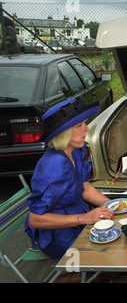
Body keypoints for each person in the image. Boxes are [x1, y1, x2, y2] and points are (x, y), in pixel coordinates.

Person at [25, 97, 115, 260]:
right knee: (110, 259)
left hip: (78, 217)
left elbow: (86, 189)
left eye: (85, 123)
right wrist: (85, 218)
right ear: (63, 132)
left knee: (119, 247)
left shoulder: (74, 151)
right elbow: (35, 219)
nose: (86, 129)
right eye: (79, 125)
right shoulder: (54, 166)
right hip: (56, 234)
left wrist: (113, 206)